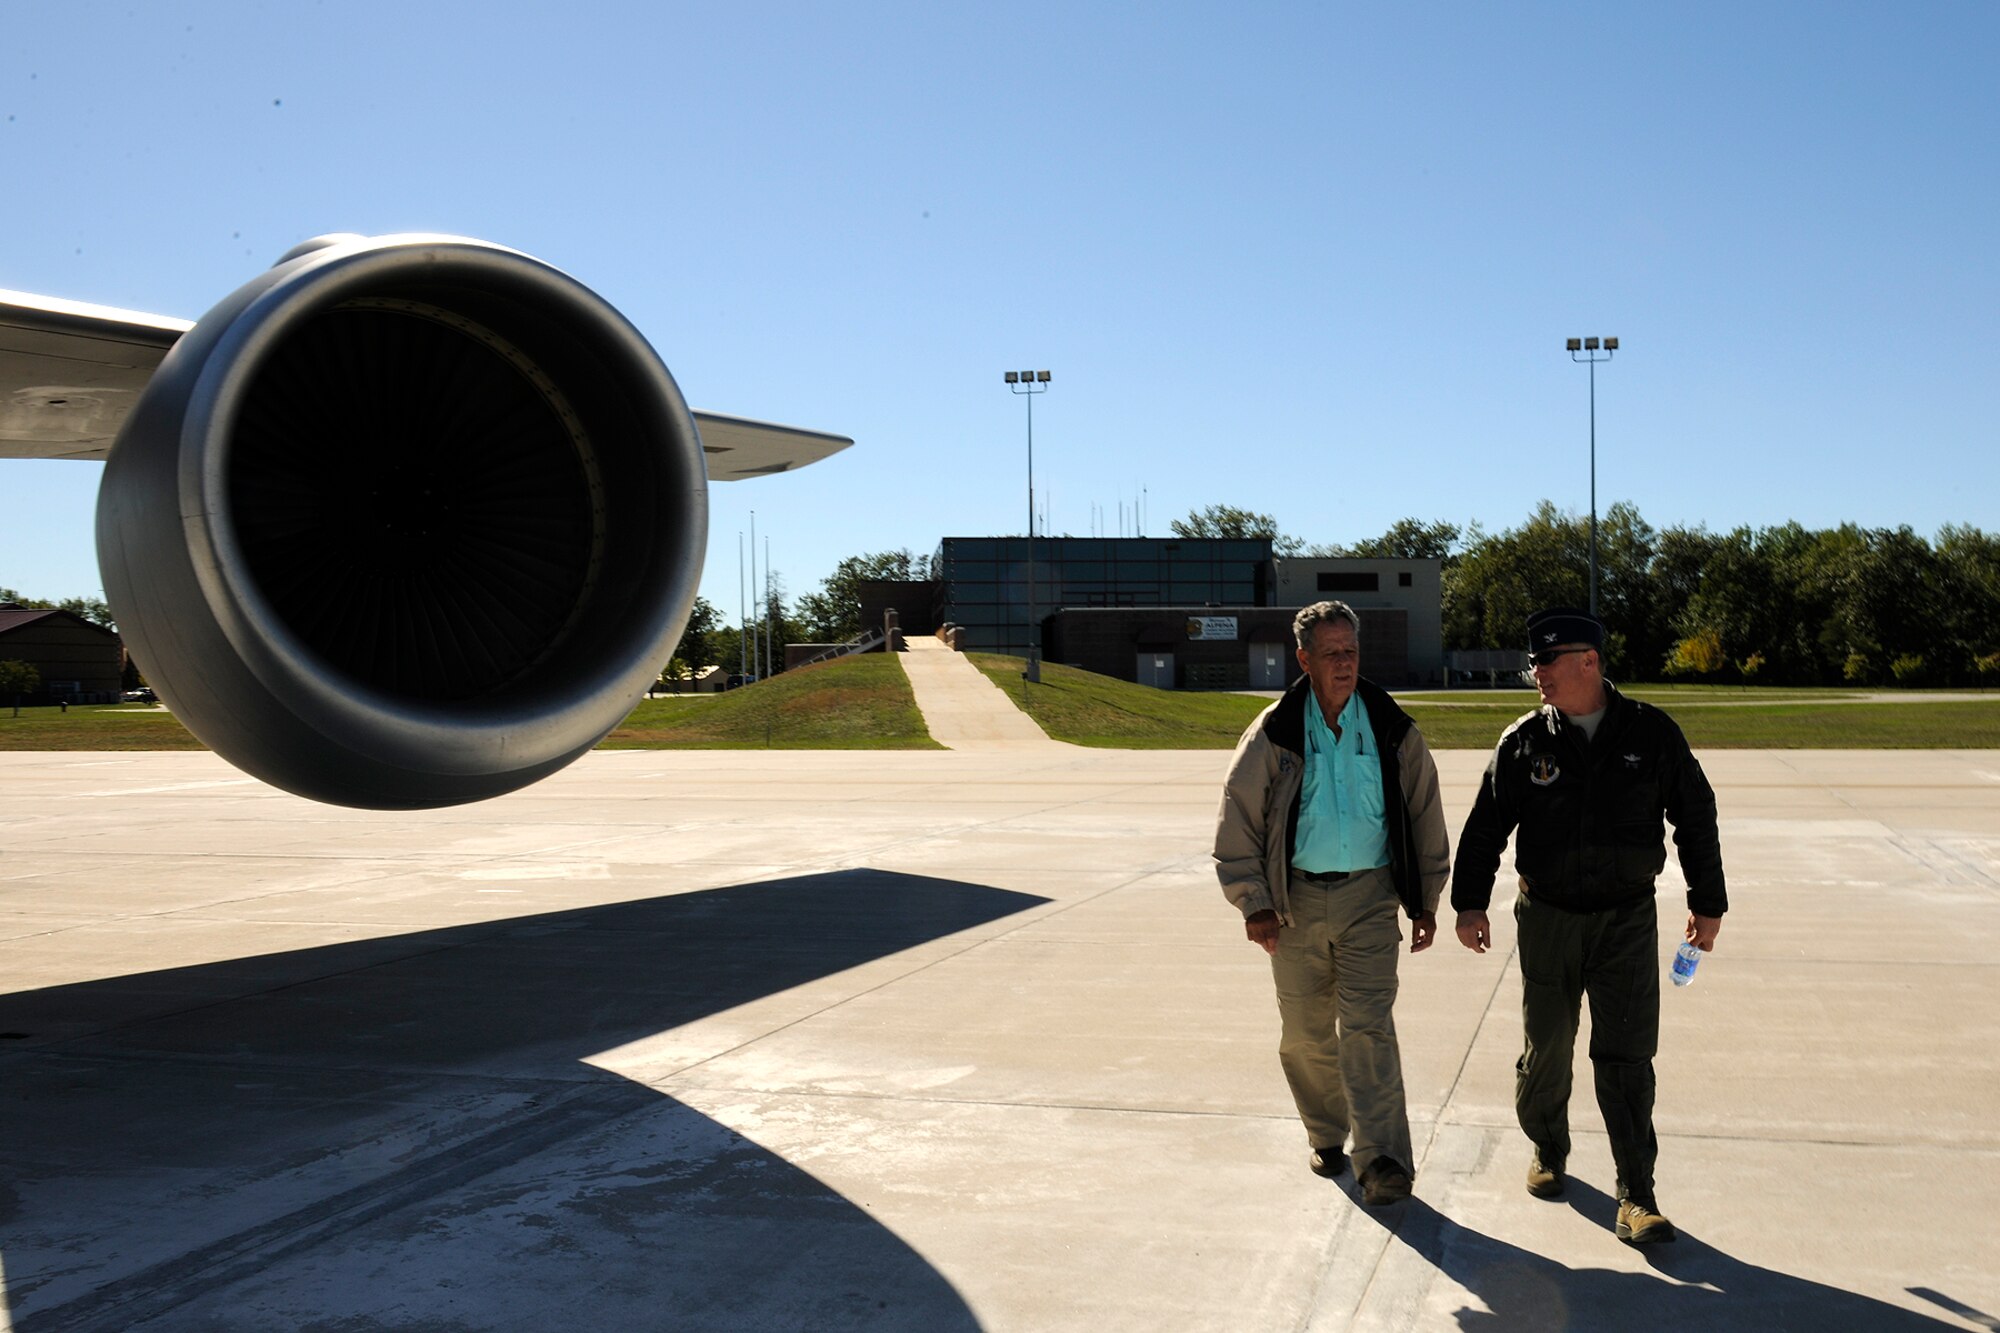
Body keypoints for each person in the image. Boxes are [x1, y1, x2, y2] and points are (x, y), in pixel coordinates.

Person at [1451, 606, 1727, 1245]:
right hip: (1546, 918)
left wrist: (1707, 902)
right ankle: (1548, 1147)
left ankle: (1637, 1194)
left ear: (1588, 662)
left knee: (1628, 1057)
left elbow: (1696, 816)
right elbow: (1486, 825)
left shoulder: (1652, 734)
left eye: (1546, 661)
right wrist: (1469, 903)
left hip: (1626, 920)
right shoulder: (1524, 741)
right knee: (1546, 1047)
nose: (1536, 673)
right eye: (1533, 662)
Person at [1214, 600, 1451, 1206]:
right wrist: (1254, 903)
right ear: (1304, 660)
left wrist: (1425, 899)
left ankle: (1385, 1161)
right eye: (1332, 654)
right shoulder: (1275, 730)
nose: (1345, 663)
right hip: (1292, 902)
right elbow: (1238, 819)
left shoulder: (1392, 727)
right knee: (1305, 1032)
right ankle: (1326, 1133)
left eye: (1352, 651)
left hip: (1370, 897)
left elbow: (1424, 812)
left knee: (1368, 1028)